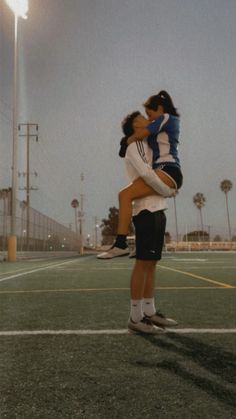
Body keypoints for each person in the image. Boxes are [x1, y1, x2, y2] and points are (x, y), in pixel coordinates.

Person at [105, 111, 178, 333]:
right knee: (142, 263)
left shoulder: (150, 144)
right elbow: (146, 174)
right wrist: (167, 189)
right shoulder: (135, 146)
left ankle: (149, 312)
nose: (148, 122)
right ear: (136, 127)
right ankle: (135, 318)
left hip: (157, 208)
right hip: (145, 210)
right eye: (142, 121)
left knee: (151, 263)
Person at [98, 90, 182, 259]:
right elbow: (134, 142)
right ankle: (127, 243)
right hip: (165, 173)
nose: (149, 118)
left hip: (168, 170)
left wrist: (167, 190)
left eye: (149, 114)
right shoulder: (152, 137)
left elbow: (139, 137)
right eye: (144, 117)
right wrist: (126, 143)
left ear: (159, 108)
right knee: (125, 195)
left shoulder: (166, 118)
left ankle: (121, 243)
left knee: (125, 195)